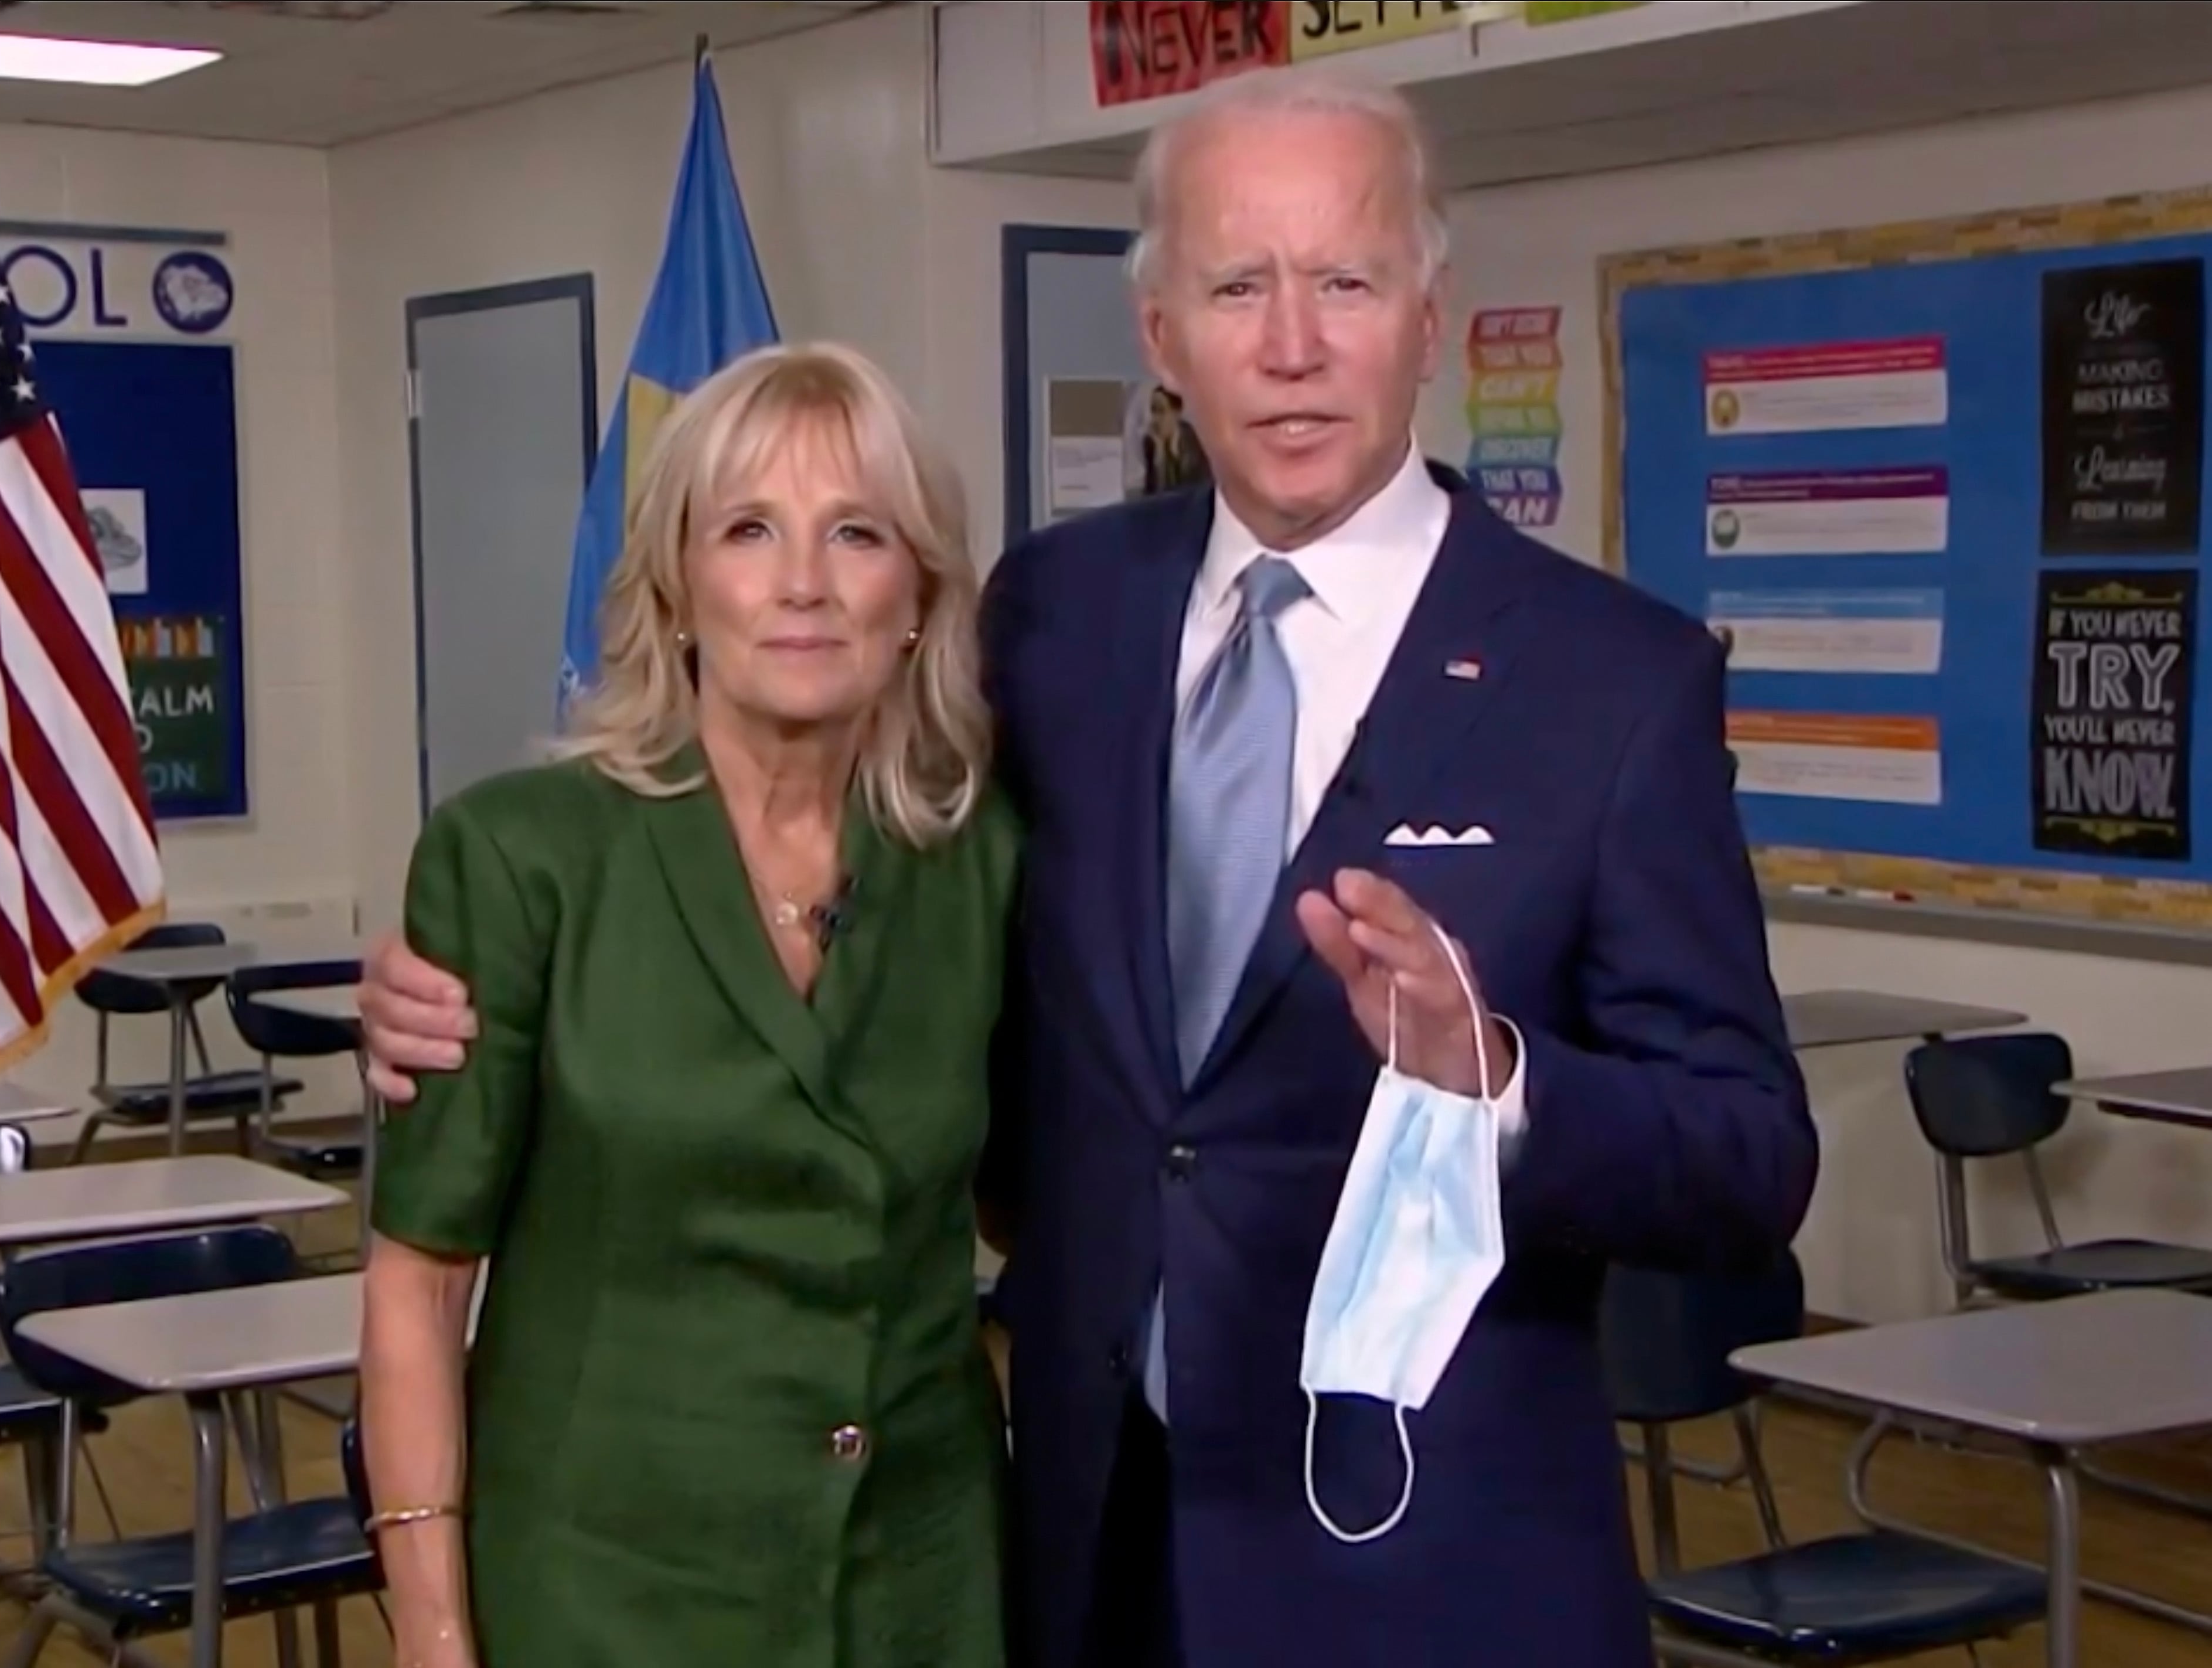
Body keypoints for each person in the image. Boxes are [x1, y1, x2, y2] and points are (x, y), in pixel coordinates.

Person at [360, 68, 1817, 1668]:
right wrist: (450, 999)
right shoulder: (1054, 621)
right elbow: (858, 934)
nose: (1288, 343)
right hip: (1063, 1546)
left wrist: (1500, 1082)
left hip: (1419, 1562)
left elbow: (1747, 1159)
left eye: (1342, 279)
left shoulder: (1611, 680)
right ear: (1162, 336)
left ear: (1425, 311)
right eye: (1234, 285)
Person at [354, 341, 1018, 1668]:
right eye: (750, 530)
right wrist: (431, 1630)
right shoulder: (520, 855)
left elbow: (1026, 1198)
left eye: (857, 534)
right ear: (675, 584)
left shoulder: (982, 861)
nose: (803, 585)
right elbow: (418, 1288)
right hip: (609, 1586)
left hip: (918, 1585)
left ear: (917, 598)